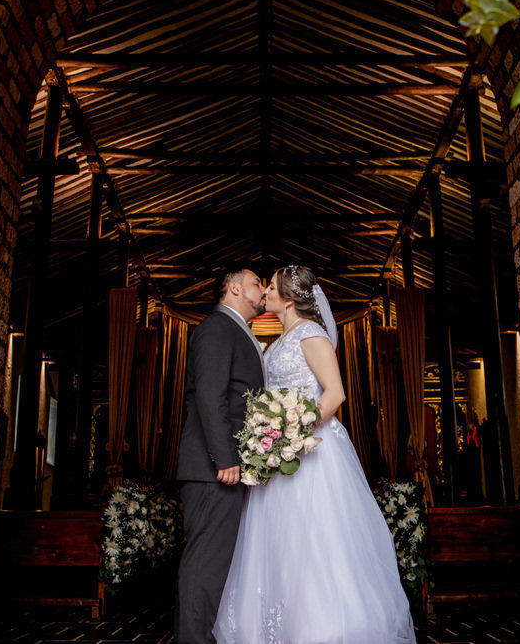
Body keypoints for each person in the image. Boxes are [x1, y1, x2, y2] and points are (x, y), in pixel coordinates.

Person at [215, 265, 416, 644]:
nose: (265, 291)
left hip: (312, 452)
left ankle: (324, 628)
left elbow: (335, 394)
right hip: (280, 457)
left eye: (271, 286)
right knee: (281, 542)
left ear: (289, 299)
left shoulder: (311, 334)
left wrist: (293, 433)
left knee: (316, 539)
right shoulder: (278, 341)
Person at [176, 268, 267, 644]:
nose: (264, 289)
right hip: (213, 469)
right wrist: (225, 458)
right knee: (205, 563)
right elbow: (210, 396)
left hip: (226, 468)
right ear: (234, 289)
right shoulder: (217, 328)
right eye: (257, 283)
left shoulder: (237, 330)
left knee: (218, 565)